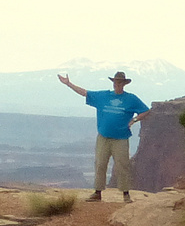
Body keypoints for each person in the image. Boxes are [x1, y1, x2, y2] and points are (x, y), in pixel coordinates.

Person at [59, 70, 150, 202]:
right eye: (115, 82)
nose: (117, 84)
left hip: (121, 138)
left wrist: (134, 120)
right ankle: (97, 193)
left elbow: (146, 111)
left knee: (122, 165)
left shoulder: (131, 99)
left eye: (119, 82)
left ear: (124, 84)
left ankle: (125, 194)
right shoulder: (103, 96)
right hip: (104, 137)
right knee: (100, 164)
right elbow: (84, 92)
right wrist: (68, 84)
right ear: (113, 83)